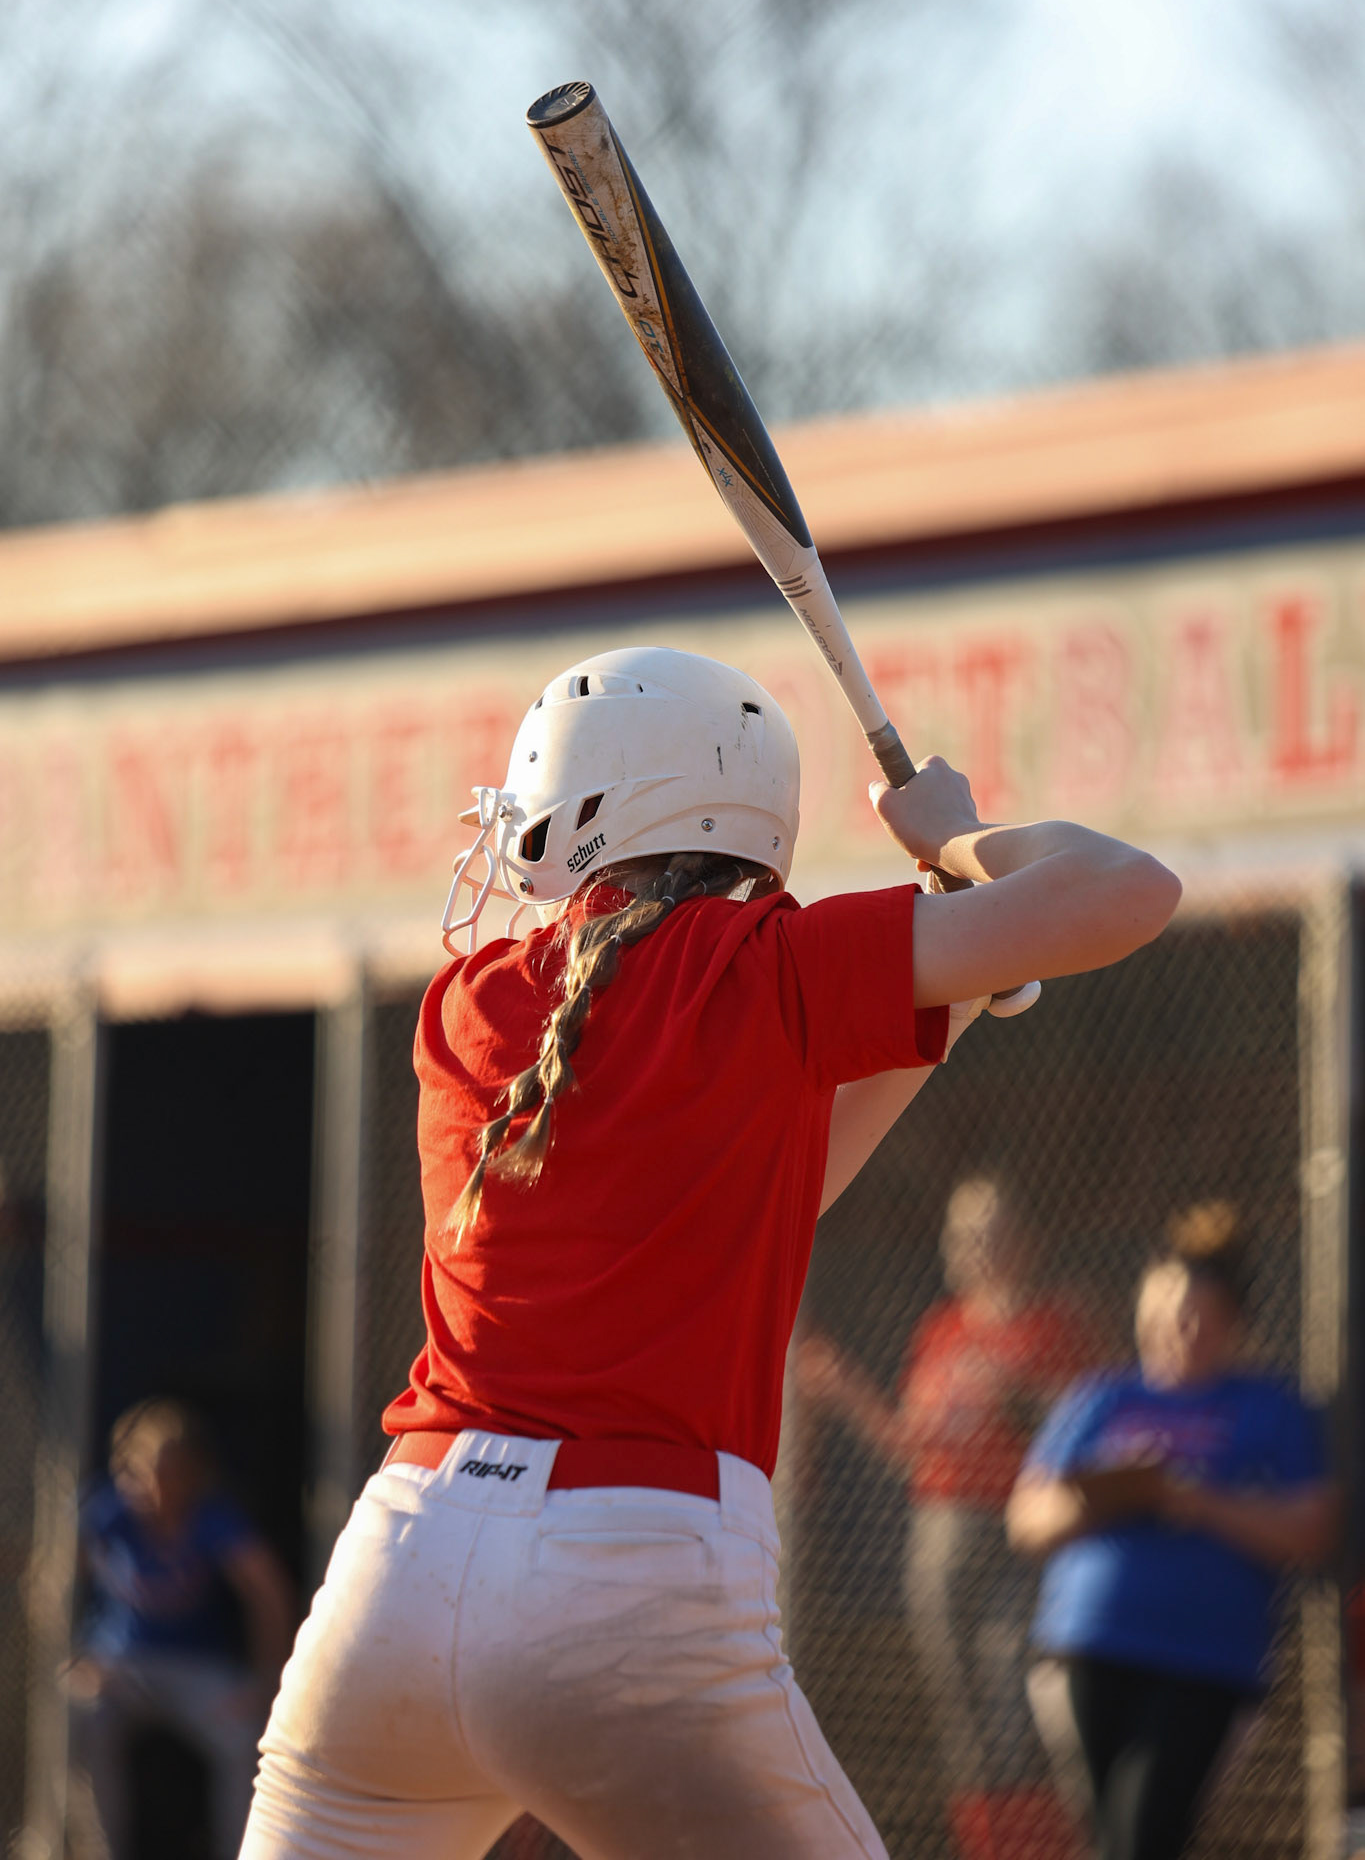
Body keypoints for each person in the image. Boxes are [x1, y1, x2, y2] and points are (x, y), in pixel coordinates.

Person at [241, 644, 1181, 1860]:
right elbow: (1127, 890)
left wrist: (947, 992)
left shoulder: (468, 1002)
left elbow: (775, 1184)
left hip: (397, 1571)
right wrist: (960, 843)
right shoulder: (765, 964)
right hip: (628, 1566)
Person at [1006, 1202, 1337, 1860]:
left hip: (1203, 1660)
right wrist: (1110, 1495)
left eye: (1196, 1314)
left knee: (1144, 1834)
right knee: (1113, 1839)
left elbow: (1310, 1530)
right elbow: (1026, 1519)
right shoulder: (1100, 1397)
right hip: (1089, 1646)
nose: (1176, 1328)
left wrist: (1194, 1501)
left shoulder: (1269, 1407)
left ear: (1232, 1323)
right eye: (1161, 1311)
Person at [797, 1177, 1094, 1860]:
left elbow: (1078, 1432)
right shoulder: (943, 1329)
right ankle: (987, 1849)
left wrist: (1018, 1395)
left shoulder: (1056, 1323)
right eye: (960, 1233)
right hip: (941, 1533)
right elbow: (913, 1448)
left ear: (1026, 1240)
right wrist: (846, 1391)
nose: (971, 1246)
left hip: (1022, 1533)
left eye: (988, 1230)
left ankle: (1042, 1848)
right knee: (965, 1721)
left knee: (1015, 1706)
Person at [70, 1397, 296, 1860]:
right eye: (149, 1472)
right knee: (78, 1714)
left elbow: (269, 1593)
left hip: (200, 1670)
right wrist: (76, 1656)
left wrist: (266, 1680)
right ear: (126, 1470)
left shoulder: (213, 1518)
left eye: (173, 1472)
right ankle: (97, 1853)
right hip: (122, 1669)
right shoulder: (108, 1512)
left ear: (194, 1472)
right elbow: (54, 1584)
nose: (159, 1487)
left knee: (249, 1742)